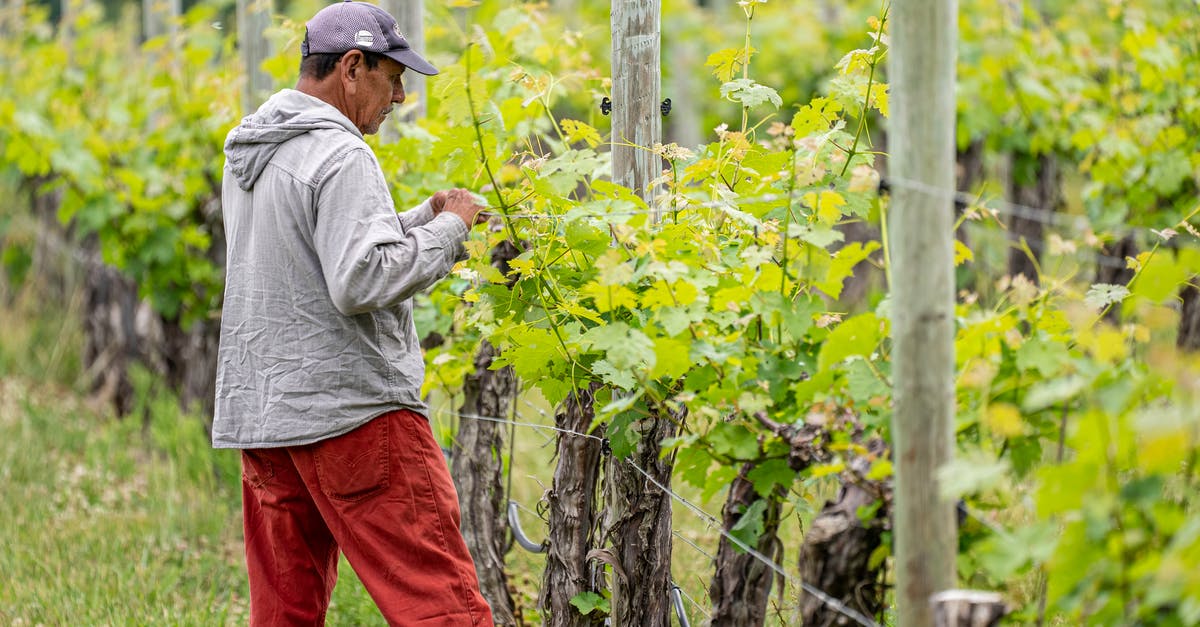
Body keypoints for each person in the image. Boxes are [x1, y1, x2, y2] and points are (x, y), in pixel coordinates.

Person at [212, 1, 494, 624]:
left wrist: (420, 219)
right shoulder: (343, 155)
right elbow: (358, 278)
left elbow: (312, 252)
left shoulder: (255, 153)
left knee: (286, 612)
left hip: (266, 415)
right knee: (439, 605)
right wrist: (450, 232)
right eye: (392, 79)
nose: (398, 98)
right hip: (352, 415)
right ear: (351, 66)